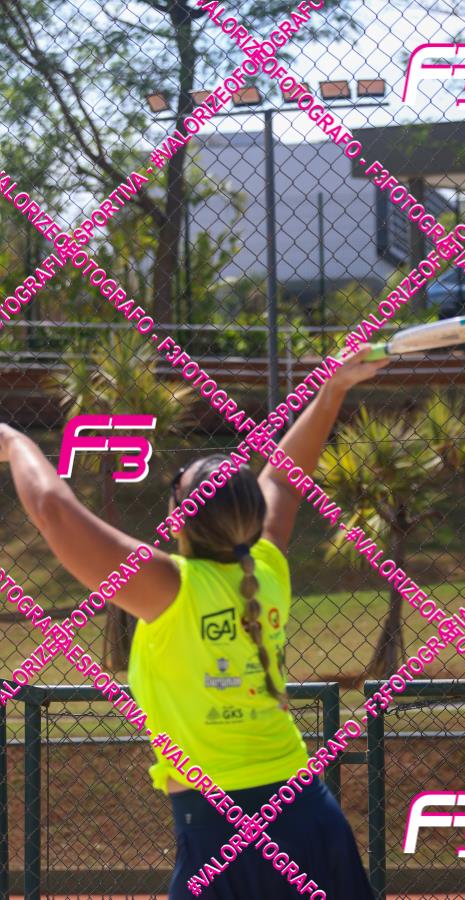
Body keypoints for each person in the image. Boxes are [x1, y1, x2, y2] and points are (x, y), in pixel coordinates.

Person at [0, 346, 387, 899]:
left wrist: (14, 441)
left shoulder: (168, 588)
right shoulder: (266, 567)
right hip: (306, 818)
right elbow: (284, 478)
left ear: (180, 518)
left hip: (220, 837)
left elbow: (54, 510)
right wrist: (333, 390)